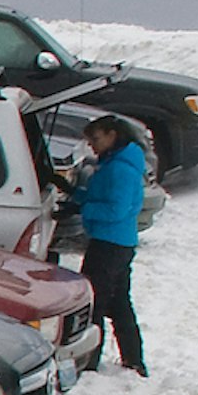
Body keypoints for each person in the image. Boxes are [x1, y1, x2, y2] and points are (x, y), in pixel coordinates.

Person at [74, 115, 152, 375]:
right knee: (119, 304)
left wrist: (85, 207)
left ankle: (89, 362)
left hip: (109, 243)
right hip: (119, 242)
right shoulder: (117, 162)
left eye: (95, 139)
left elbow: (116, 209)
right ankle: (133, 360)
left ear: (112, 135)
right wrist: (76, 195)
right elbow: (103, 198)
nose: (92, 146)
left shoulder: (120, 168)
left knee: (94, 303)